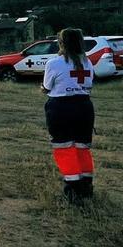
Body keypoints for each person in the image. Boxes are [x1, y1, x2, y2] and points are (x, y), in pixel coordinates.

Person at [42, 28, 96, 203]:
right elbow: (88, 85)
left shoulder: (54, 63)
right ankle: (86, 186)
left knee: (64, 149)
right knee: (82, 148)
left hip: (61, 108)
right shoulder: (87, 62)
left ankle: (72, 189)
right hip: (84, 107)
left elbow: (47, 88)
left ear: (61, 43)